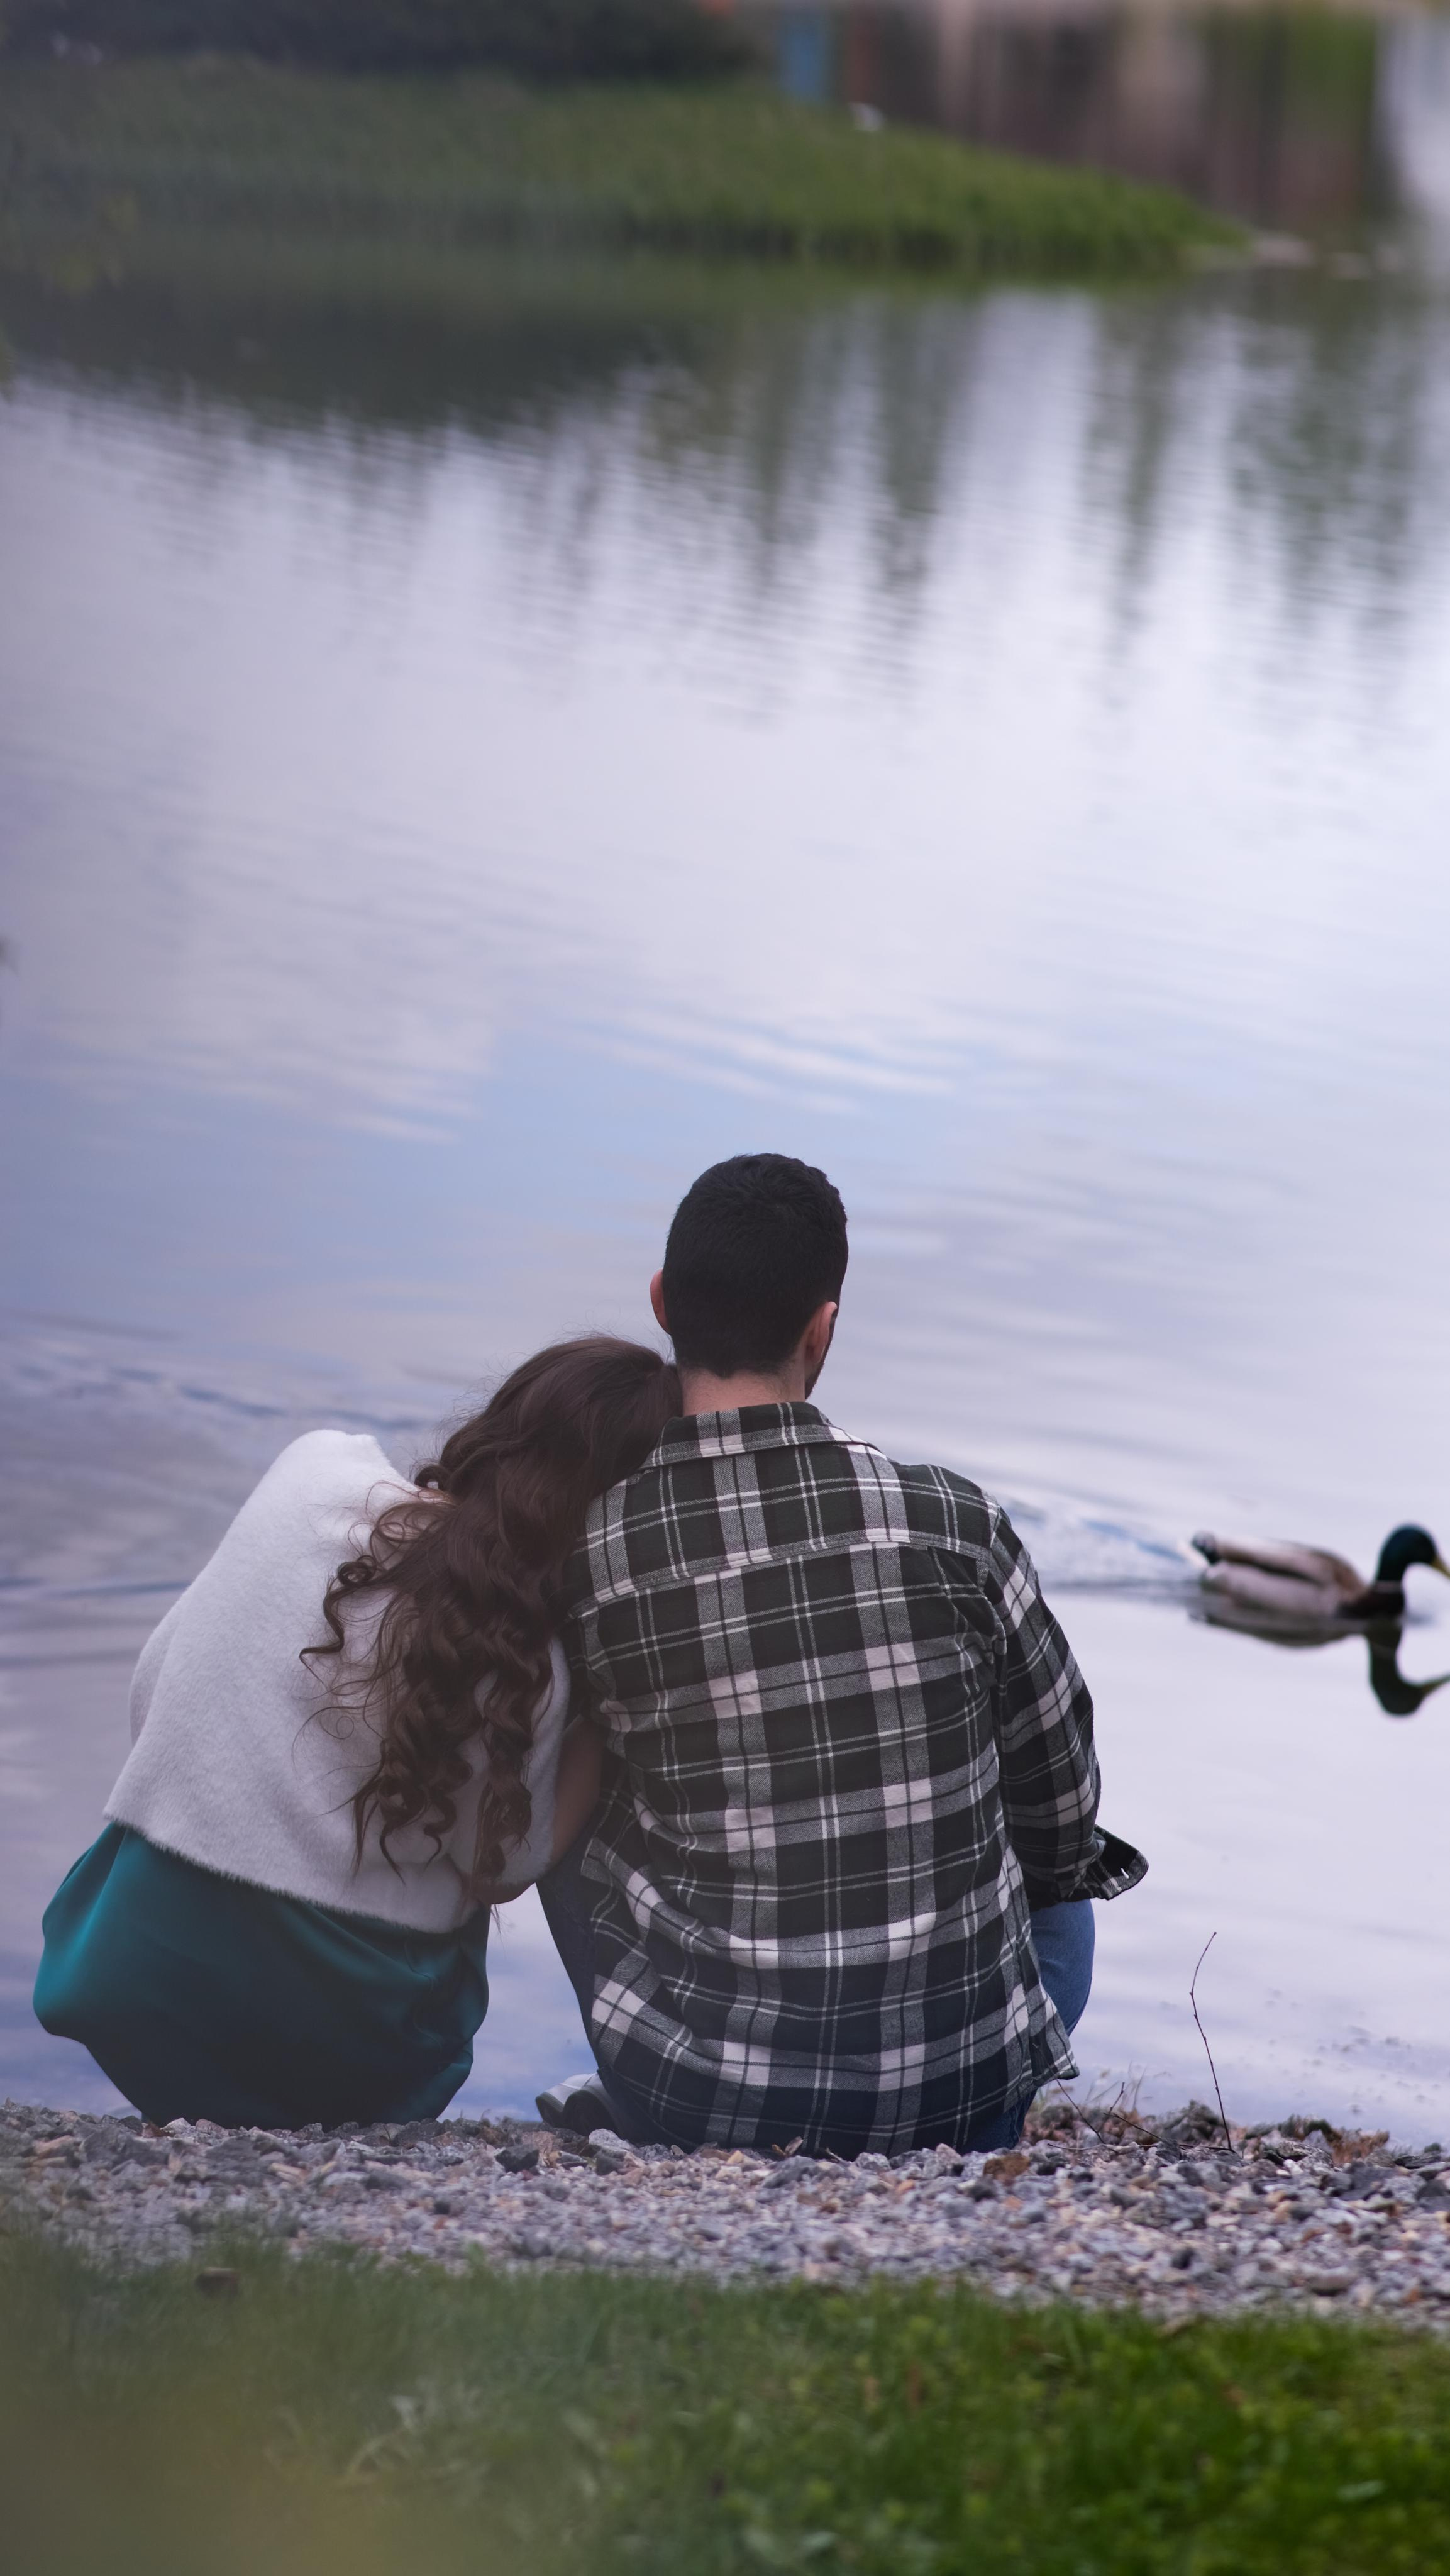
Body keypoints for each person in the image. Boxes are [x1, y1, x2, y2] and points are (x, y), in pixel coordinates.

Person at [538, 1154, 1145, 2158]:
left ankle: (634, 2088)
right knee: (1061, 1870)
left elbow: (540, 1826)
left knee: (564, 1804)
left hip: (704, 2103)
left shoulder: (594, 1557)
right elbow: (1061, 1811)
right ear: (823, 1327)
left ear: (659, 1303)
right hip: (964, 2100)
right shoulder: (958, 1524)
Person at [35, 1337, 679, 2131]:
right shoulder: (528, 1661)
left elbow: (152, 1684)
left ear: (503, 1420)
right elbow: (503, 1868)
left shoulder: (315, 1466)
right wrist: (597, 1729)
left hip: (124, 1968)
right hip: (345, 2059)